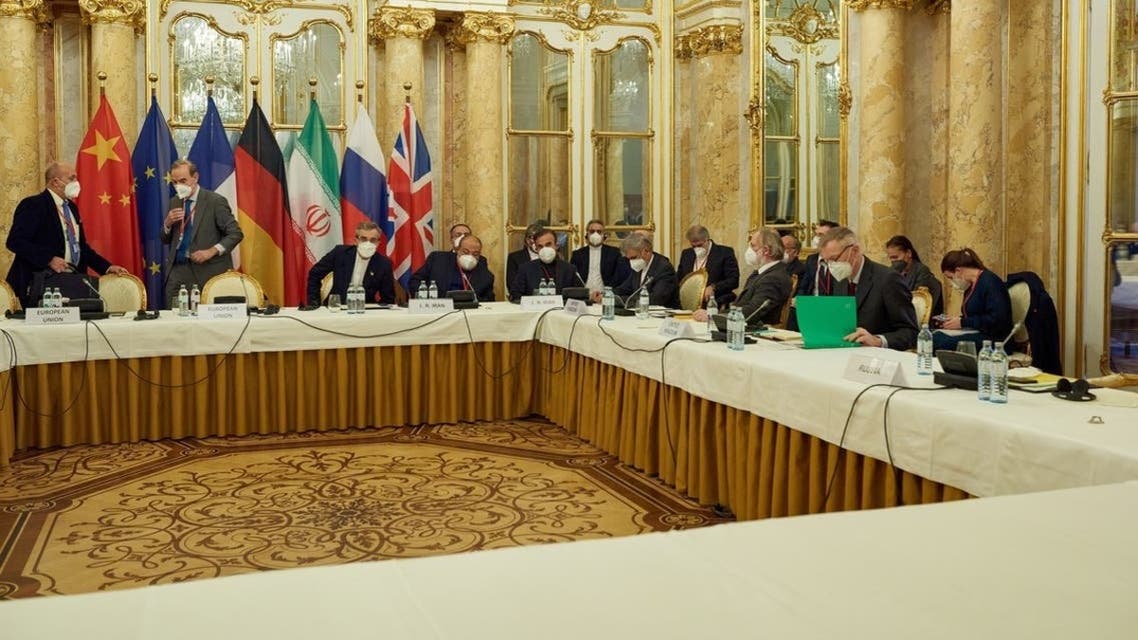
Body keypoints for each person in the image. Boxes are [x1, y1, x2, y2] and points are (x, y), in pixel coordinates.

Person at [5, 162, 128, 306]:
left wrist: (107, 267)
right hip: (38, 286)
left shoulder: (72, 208)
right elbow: (15, 241)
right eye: (71, 178)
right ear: (56, 182)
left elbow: (82, 248)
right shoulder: (34, 204)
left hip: (70, 284)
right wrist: (49, 259)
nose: (76, 182)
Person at [815, 226, 918, 350]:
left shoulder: (888, 279)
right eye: (826, 262)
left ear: (854, 251)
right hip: (844, 352)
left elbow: (911, 333)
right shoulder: (839, 279)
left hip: (878, 357)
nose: (831, 266)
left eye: (834, 259)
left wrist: (878, 341)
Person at [161, 159, 244, 308]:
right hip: (178, 272)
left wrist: (211, 251)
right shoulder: (175, 202)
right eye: (174, 182)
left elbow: (235, 234)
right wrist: (167, 224)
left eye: (183, 181)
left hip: (207, 271)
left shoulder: (215, 201)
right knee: (174, 316)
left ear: (195, 177)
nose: (178, 186)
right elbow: (165, 239)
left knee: (206, 318)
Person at [694, 228, 791, 328]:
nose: (749, 250)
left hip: (753, 331)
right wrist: (715, 314)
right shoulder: (762, 273)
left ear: (766, 250)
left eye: (753, 246)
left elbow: (751, 312)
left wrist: (712, 317)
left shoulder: (774, 278)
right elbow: (740, 307)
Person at [934, 248, 1013, 352]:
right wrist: (955, 321)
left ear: (958, 271)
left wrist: (963, 323)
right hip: (979, 333)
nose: (952, 282)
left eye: (951, 278)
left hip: (995, 339)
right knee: (934, 335)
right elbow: (974, 316)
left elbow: (997, 320)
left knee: (941, 342)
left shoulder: (990, 282)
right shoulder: (970, 286)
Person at [305, 220, 396, 306]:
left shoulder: (384, 264)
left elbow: (388, 298)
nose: (368, 243)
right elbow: (314, 274)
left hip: (365, 311)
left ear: (378, 243)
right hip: (336, 308)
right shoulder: (339, 253)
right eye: (363, 239)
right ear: (356, 240)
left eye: (373, 240)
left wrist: (376, 312)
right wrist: (314, 303)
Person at [409, 235, 495, 301]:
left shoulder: (485, 275)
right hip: (438, 309)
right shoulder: (438, 260)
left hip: (470, 313)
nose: (470, 256)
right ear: (457, 250)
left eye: (475, 254)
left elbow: (489, 300)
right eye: (465, 252)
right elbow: (415, 281)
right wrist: (427, 300)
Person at [607, 232, 678, 308]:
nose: (631, 262)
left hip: (664, 313)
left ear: (646, 251)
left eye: (634, 257)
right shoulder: (639, 267)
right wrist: (607, 294)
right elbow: (624, 289)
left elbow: (655, 299)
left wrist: (622, 300)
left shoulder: (664, 268)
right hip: (641, 311)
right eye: (629, 259)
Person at [675, 224, 740, 308]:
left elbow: (733, 280)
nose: (696, 249)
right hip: (688, 302)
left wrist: (714, 287)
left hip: (713, 302)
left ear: (707, 239)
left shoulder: (724, 253)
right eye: (693, 246)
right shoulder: (687, 254)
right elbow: (679, 278)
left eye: (699, 245)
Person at [512, 228, 581, 299]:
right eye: (540, 246)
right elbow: (515, 295)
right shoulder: (525, 269)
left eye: (548, 244)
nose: (544, 249)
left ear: (556, 246)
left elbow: (579, 295)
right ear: (536, 249)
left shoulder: (569, 269)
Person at [885, 235, 943, 316]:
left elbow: (916, 300)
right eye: (891, 258)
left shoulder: (922, 271)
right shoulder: (892, 272)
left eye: (895, 257)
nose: (893, 261)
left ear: (908, 253)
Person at [569, 219, 629, 295]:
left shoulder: (614, 253)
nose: (595, 234)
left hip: (606, 296)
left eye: (599, 232)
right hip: (584, 296)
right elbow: (573, 278)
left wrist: (607, 294)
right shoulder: (577, 254)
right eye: (592, 231)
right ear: (587, 234)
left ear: (604, 235)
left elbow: (618, 277)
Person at [795, 219, 840, 297]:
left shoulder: (842, 260)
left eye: (821, 235)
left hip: (836, 303)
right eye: (816, 234)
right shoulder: (811, 260)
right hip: (813, 302)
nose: (816, 238)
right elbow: (803, 288)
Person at [506, 222, 543, 301]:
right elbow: (511, 284)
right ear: (527, 240)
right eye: (532, 238)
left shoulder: (552, 257)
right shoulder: (514, 258)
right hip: (524, 300)